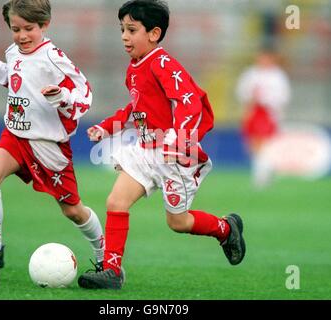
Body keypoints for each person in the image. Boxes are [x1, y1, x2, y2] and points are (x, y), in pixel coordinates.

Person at [78, 0, 246, 290]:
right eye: (122, 30)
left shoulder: (163, 63)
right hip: (145, 152)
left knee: (177, 222)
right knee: (116, 202)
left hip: (173, 156)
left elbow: (189, 102)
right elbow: (135, 110)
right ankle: (112, 270)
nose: (124, 36)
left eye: (132, 29)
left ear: (154, 34)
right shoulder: (133, 69)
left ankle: (226, 228)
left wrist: (177, 141)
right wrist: (106, 128)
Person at [0, 0, 105, 271]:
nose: (22, 36)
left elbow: (84, 93)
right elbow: (13, 76)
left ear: (44, 25)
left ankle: (104, 255)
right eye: (15, 29)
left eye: (29, 28)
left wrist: (62, 96)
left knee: (73, 210)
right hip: (15, 135)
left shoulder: (54, 58)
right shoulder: (13, 51)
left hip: (48, 144)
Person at [236, 48, 291, 188]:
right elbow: (242, 92)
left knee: (265, 144)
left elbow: (283, 96)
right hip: (253, 111)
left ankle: (262, 176)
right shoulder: (251, 73)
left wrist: (266, 99)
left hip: (268, 113)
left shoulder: (278, 76)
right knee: (253, 145)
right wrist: (250, 99)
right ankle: (263, 172)